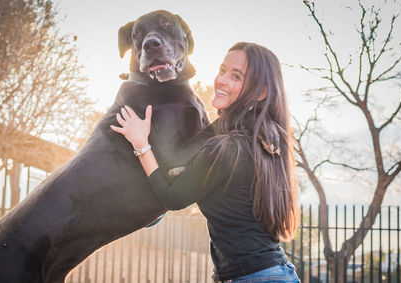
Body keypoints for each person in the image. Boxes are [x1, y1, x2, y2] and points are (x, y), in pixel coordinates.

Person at [111, 42, 300, 282]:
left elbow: (174, 198)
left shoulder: (227, 148)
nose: (221, 80)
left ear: (261, 92)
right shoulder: (265, 140)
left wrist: (141, 144)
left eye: (236, 76)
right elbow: (195, 145)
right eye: (223, 70)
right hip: (271, 273)